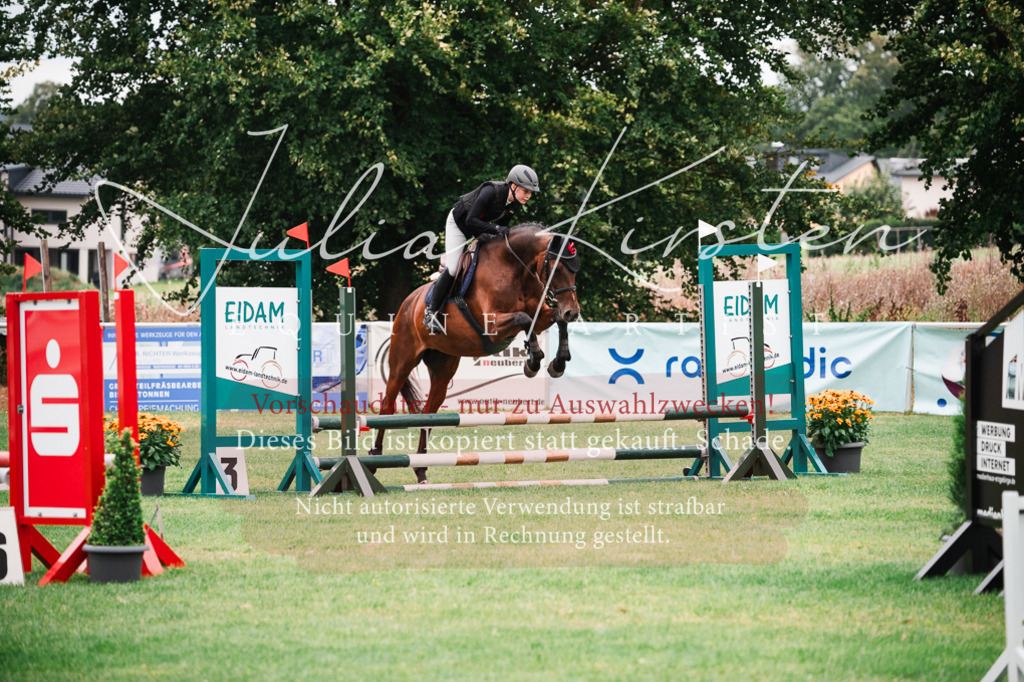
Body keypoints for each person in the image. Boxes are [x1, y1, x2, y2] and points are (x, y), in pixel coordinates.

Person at [423, 164, 540, 334]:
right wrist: (496, 230)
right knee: (454, 268)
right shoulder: (491, 192)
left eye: (530, 193)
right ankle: (431, 312)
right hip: (460, 225)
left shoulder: (514, 203)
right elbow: (471, 220)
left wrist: (501, 234)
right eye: (526, 191)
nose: (528, 196)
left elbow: (501, 228)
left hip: (480, 229)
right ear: (513, 186)